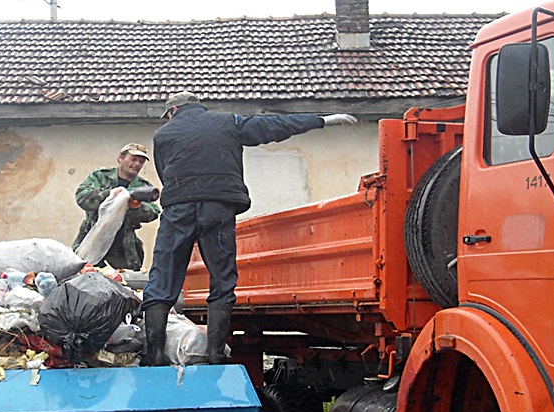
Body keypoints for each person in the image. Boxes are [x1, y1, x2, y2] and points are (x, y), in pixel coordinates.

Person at [140, 91, 357, 366]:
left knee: (162, 279)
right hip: (218, 208)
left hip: (178, 209)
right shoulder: (227, 122)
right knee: (222, 278)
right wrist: (321, 121)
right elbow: (272, 127)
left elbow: (164, 173)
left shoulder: (163, 135)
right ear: (199, 107)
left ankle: (155, 356)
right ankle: (216, 355)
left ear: (172, 112)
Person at [73, 142, 161, 271]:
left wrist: (135, 207)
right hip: (92, 239)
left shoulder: (142, 187)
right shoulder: (101, 177)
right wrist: (111, 195)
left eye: (141, 162)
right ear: (121, 158)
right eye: (133, 159)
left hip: (123, 250)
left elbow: (153, 212)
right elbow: (82, 197)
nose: (137, 164)